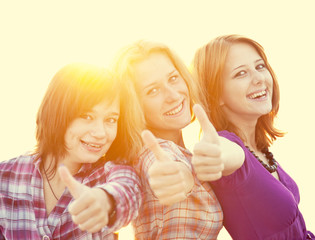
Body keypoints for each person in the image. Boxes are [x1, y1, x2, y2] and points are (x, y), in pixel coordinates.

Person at [0, 63, 143, 240]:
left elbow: (128, 192)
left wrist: (104, 201)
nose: (100, 133)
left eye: (111, 119)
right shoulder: (5, 176)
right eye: (87, 116)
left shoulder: (112, 172)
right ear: (57, 113)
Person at [192, 34, 314, 240]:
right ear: (216, 95)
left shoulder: (259, 150)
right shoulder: (230, 147)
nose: (259, 78)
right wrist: (212, 154)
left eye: (259, 66)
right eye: (241, 73)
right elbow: (223, 152)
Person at [113, 40, 226, 239]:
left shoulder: (183, 151)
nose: (173, 95)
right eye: (152, 90)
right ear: (134, 107)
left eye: (173, 78)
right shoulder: (152, 154)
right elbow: (165, 168)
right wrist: (179, 178)